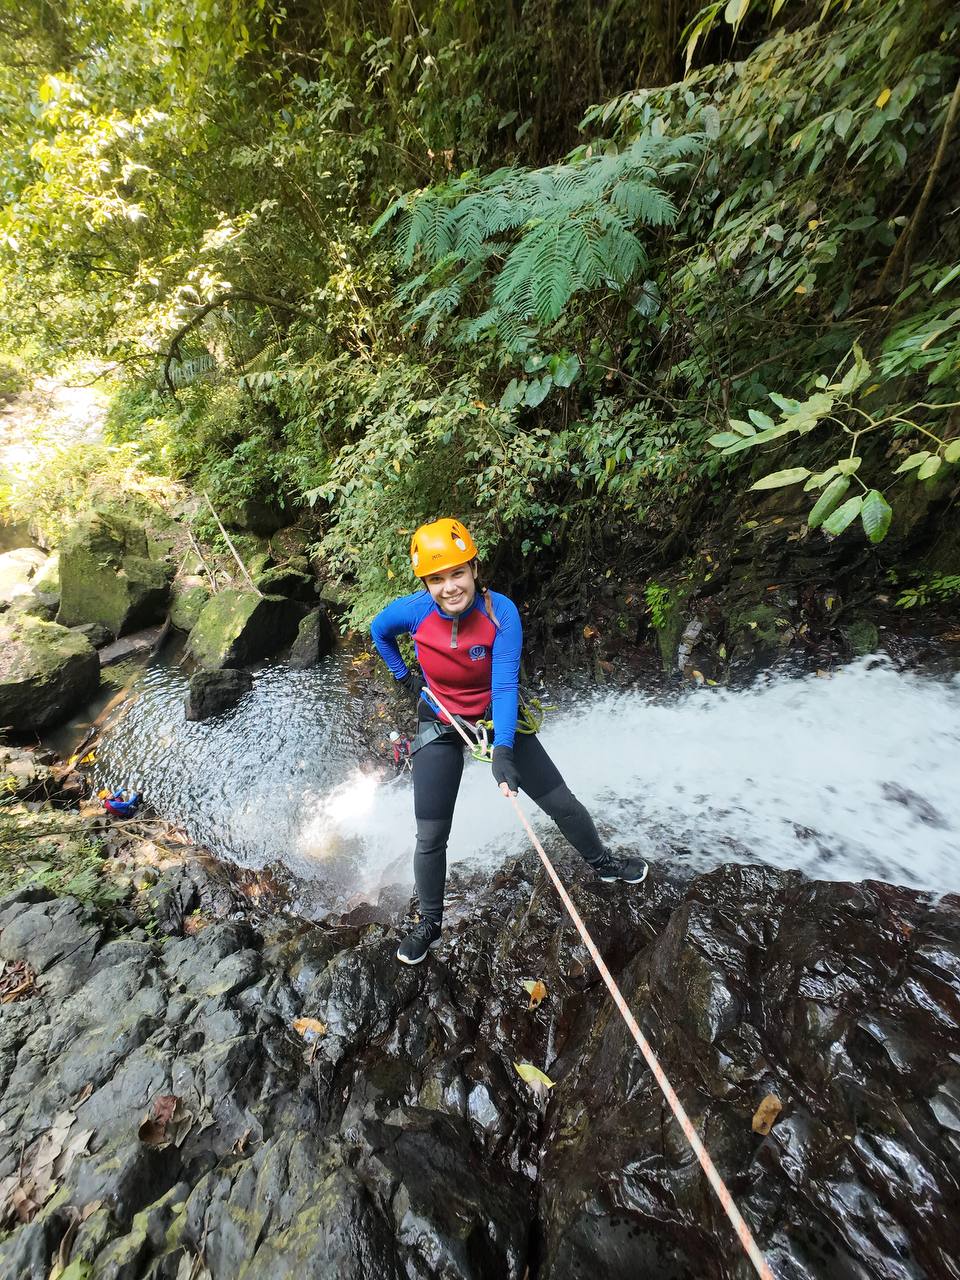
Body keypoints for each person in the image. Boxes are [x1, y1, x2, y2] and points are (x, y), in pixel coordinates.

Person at [370, 517, 649, 965]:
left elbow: (503, 686)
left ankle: (605, 865)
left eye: (457, 572)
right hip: (440, 717)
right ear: (425, 583)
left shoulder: (501, 613)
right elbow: (379, 633)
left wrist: (501, 750)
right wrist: (405, 678)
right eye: (437, 579)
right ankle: (429, 922)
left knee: (562, 803)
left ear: (475, 569)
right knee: (431, 834)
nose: (449, 587)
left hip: (494, 715)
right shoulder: (413, 611)